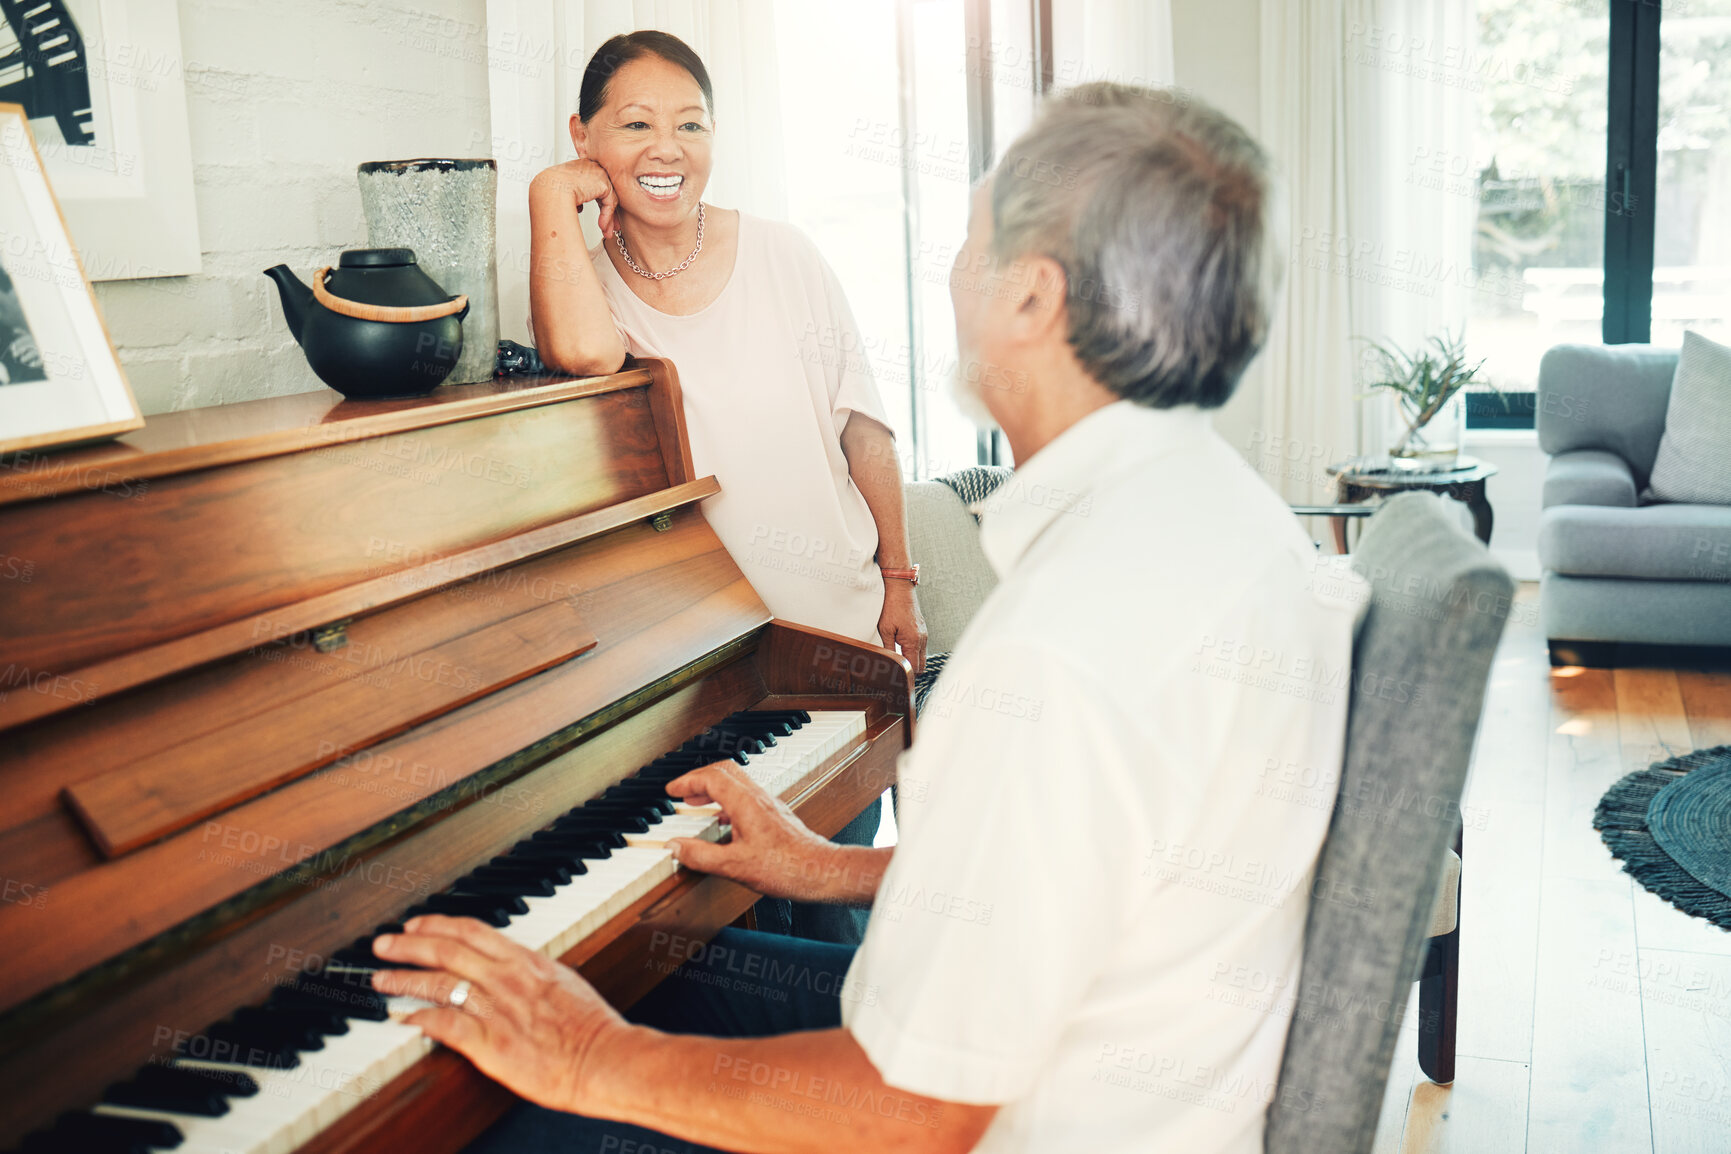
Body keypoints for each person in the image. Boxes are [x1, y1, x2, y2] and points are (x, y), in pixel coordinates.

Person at [376, 82, 1366, 1154]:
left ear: (1031, 298)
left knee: (502, 1119)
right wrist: (830, 865)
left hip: (1020, 1120)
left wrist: (587, 1054)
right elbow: (1111, 879)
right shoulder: (1236, 523)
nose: (952, 272)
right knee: (683, 974)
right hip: (1135, 1078)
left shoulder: (1058, 651)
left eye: (968, 240)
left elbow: (917, 1112)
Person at [528, 30, 926, 944]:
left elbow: (863, 428)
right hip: (707, 672)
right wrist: (552, 196)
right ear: (583, 137)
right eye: (634, 124)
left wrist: (898, 582)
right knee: (735, 936)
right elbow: (583, 354)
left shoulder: (786, 255)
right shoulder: (584, 286)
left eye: (690, 124)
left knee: (830, 938)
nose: (666, 149)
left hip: (832, 645)